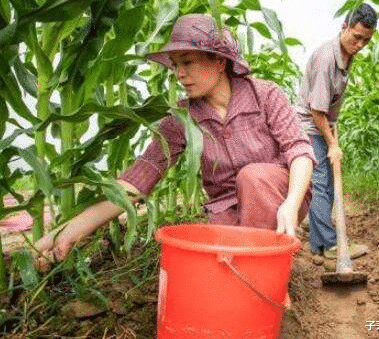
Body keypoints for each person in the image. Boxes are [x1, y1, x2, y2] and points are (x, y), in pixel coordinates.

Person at [35, 13, 316, 271]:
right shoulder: (182, 118)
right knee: (213, 265)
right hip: (227, 209)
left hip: (279, 198)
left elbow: (300, 151)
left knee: (253, 178)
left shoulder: (264, 95)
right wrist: (66, 232)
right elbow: (136, 182)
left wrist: (291, 203)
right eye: (176, 65)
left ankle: (270, 274)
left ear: (219, 62)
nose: (179, 74)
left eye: (187, 62)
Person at [296, 3, 377, 259]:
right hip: (310, 127)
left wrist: (331, 132)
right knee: (321, 184)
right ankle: (330, 245)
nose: (361, 45)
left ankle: (319, 242)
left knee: (327, 184)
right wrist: (332, 143)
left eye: (366, 40)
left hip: (322, 127)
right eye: (357, 37)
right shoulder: (325, 60)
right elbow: (316, 111)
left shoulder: (346, 55)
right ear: (344, 28)